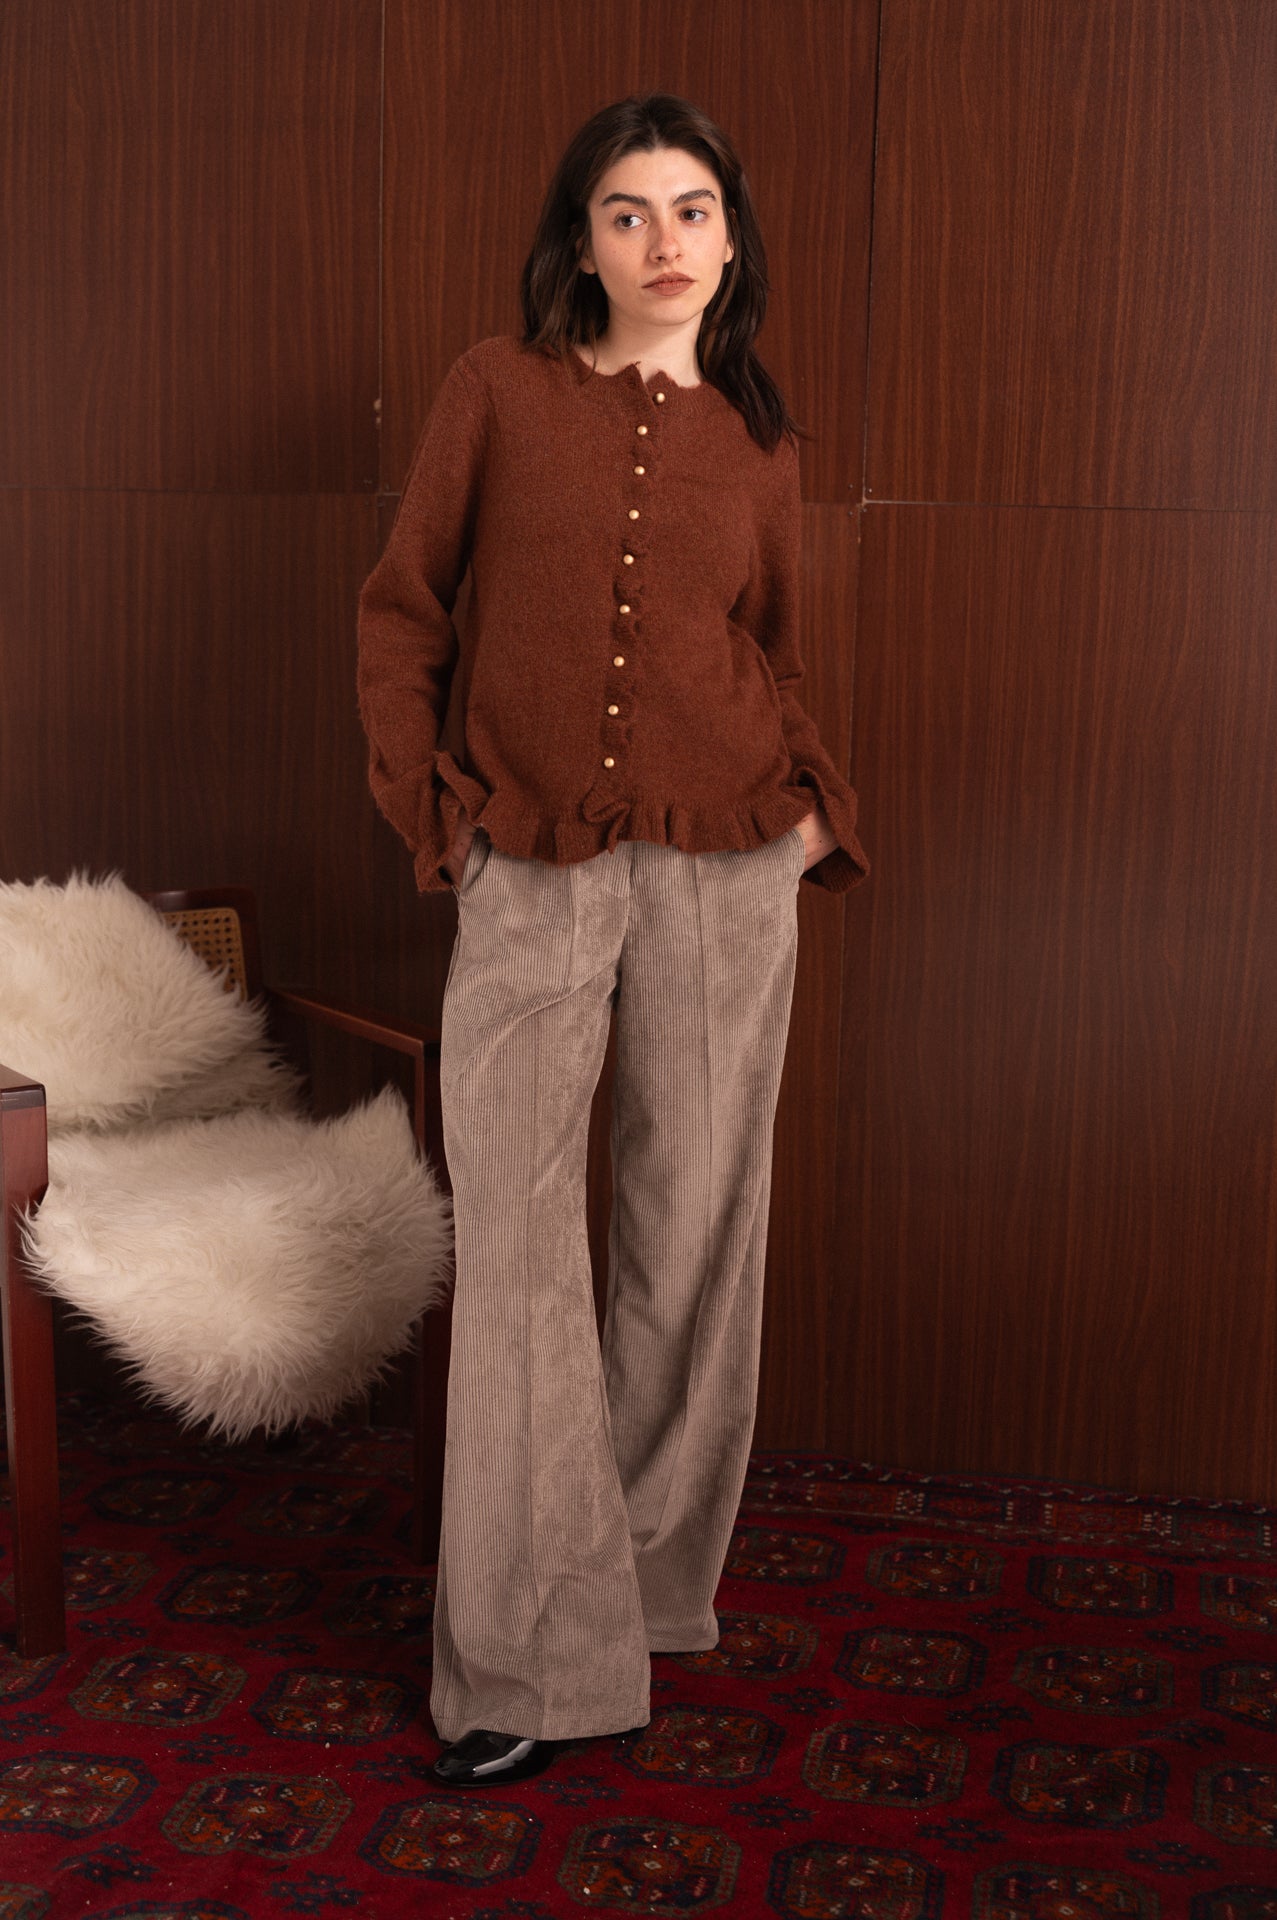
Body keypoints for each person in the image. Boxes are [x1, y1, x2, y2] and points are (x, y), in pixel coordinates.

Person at [356, 91, 869, 1788]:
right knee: (513, 1243)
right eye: (627, 211)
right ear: (579, 242)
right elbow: (402, 610)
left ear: (730, 238)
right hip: (528, 860)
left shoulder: (758, 441)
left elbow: (771, 650)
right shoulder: (494, 392)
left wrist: (809, 809)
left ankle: (644, 1589)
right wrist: (434, 810)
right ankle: (526, 1657)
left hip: (728, 860)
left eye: (692, 209)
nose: (663, 240)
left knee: (693, 1221)